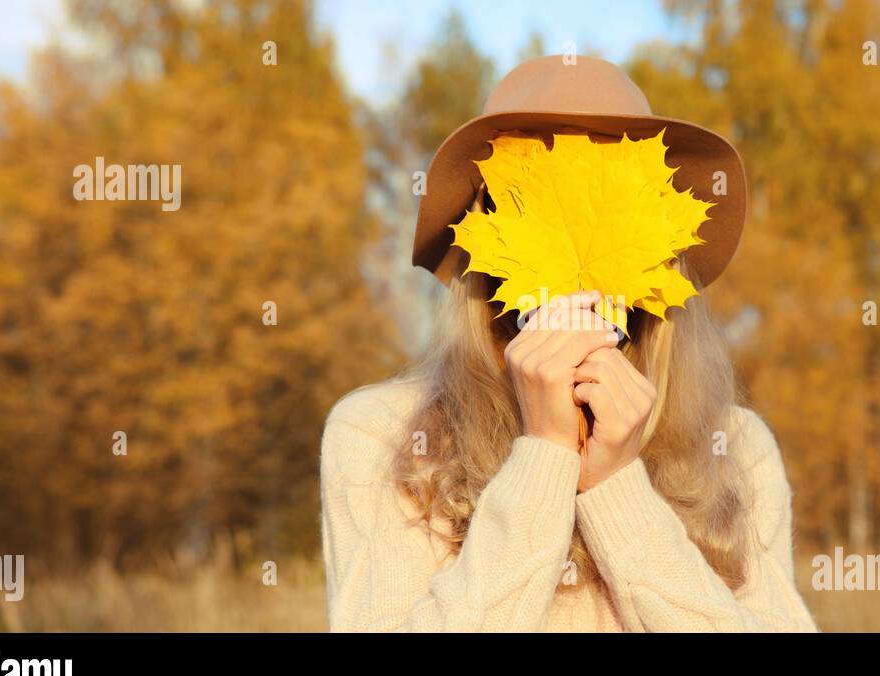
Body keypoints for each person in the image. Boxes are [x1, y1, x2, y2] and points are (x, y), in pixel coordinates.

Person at [320, 55, 817, 632]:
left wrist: (617, 490)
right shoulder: (383, 437)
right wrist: (545, 458)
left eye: (610, 200)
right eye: (535, 199)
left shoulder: (735, 448)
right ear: (487, 236)